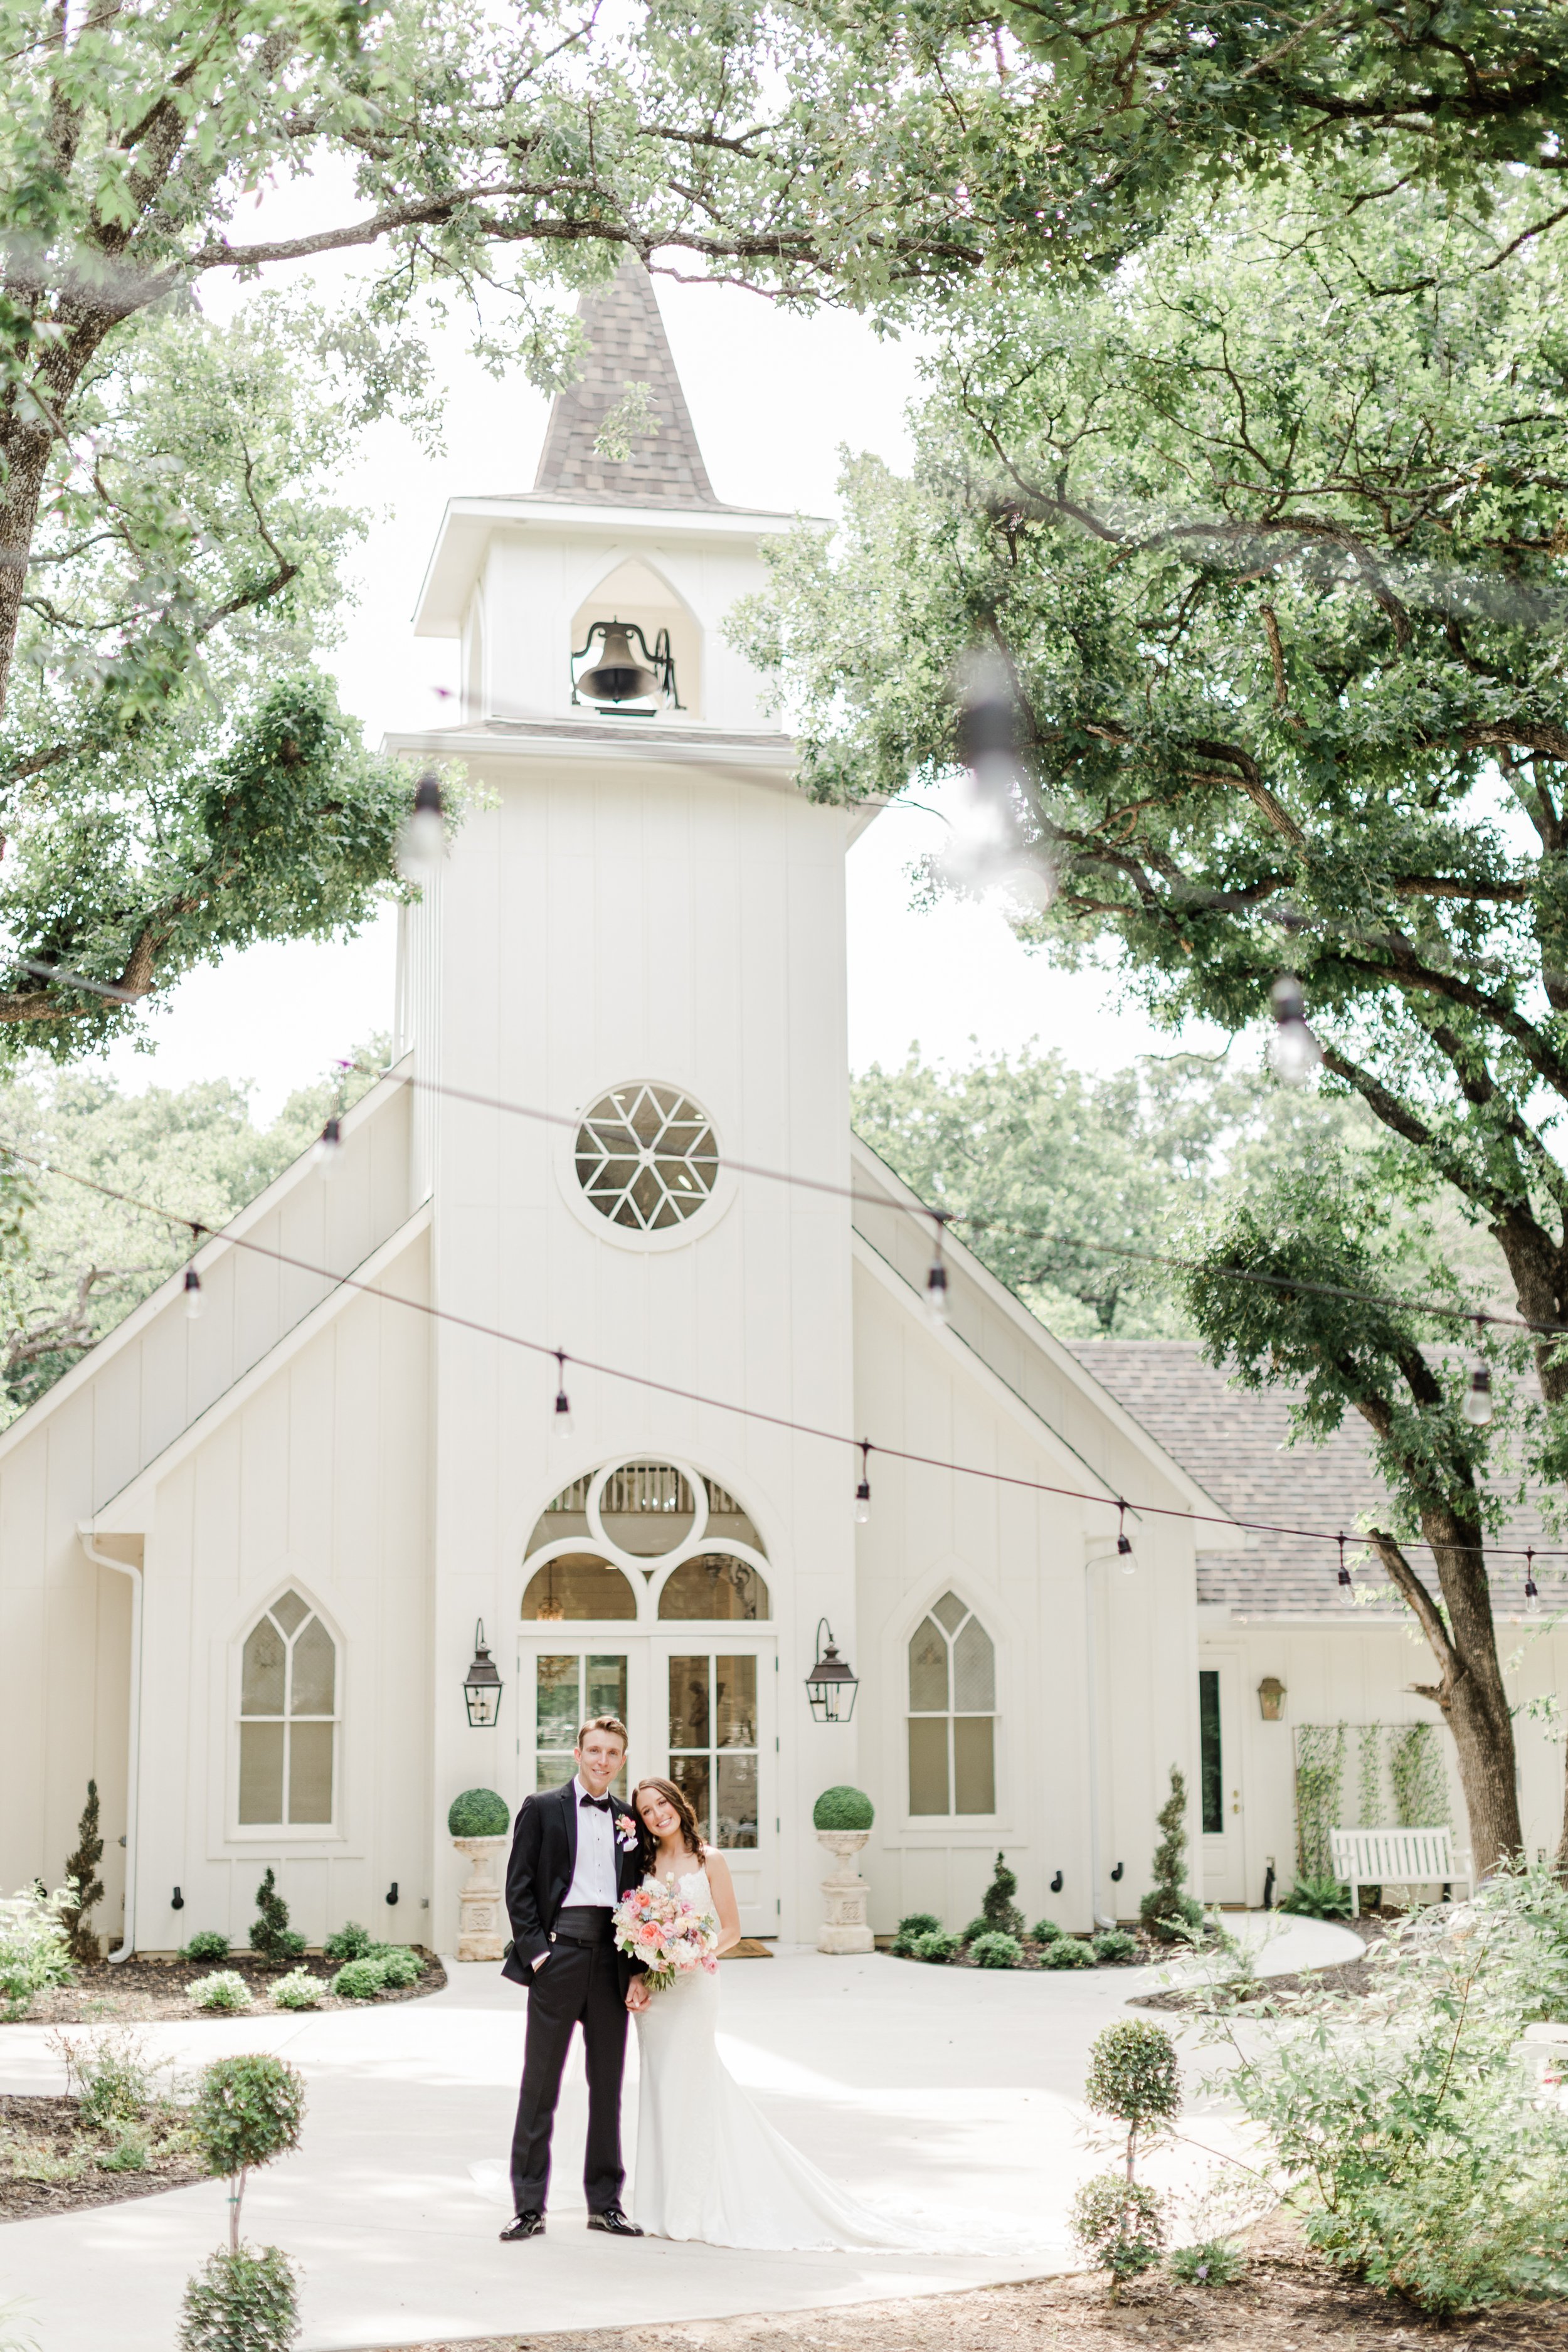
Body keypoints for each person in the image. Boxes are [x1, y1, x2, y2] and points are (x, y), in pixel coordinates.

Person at [627, 1776, 913, 2249]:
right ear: (641, 1822)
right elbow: (636, 1930)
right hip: (657, 1996)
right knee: (660, 2088)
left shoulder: (710, 1860)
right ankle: (659, 2204)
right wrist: (643, 1972)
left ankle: (695, 2203)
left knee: (693, 2082)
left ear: (679, 1804)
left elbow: (734, 1929)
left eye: (663, 1803)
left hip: (696, 1983)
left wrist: (694, 1953)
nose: (658, 1814)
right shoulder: (643, 1864)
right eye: (647, 1811)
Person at [498, 1714, 649, 2242]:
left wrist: (637, 1970)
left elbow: (638, 1901)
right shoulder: (542, 1809)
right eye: (595, 1750)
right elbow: (518, 1887)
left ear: (622, 1760)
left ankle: (605, 2203)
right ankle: (528, 2206)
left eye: (612, 1753)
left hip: (612, 1959)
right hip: (558, 1957)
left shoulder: (632, 1819)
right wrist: (538, 1954)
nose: (603, 1760)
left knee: (607, 2087)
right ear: (578, 1754)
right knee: (540, 2085)